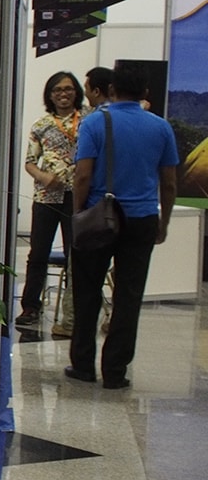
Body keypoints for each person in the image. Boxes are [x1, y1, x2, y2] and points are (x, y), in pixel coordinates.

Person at [64, 63, 178, 390]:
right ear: (145, 92)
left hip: (99, 216)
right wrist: (163, 222)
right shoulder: (161, 127)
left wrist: (78, 214)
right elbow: (169, 183)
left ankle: (83, 364)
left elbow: (83, 175)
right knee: (129, 295)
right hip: (142, 219)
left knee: (87, 291)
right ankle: (115, 371)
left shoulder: (94, 123)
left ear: (112, 90)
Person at [17, 71, 84, 329]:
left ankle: (73, 312)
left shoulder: (88, 120)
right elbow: (29, 162)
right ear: (50, 95)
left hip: (77, 196)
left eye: (68, 89)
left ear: (76, 92)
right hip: (46, 196)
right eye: (57, 90)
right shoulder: (41, 125)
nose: (63, 94)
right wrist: (43, 177)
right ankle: (30, 307)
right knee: (38, 254)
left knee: (75, 255)